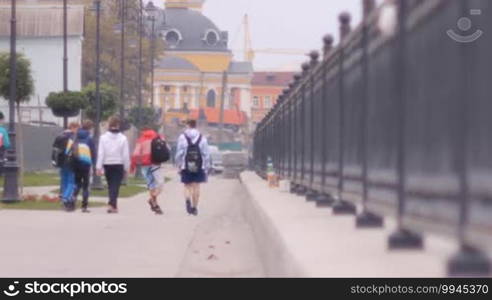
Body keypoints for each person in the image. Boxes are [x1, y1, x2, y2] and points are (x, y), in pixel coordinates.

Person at [175, 119, 210, 216]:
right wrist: (206, 167)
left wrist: (178, 164)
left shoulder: (182, 137)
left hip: (186, 166)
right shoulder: (202, 138)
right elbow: (206, 154)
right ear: (195, 126)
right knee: (196, 187)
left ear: (188, 125)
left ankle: (187, 200)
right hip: (199, 166)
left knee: (187, 186)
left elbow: (179, 153)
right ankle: (194, 208)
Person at [96, 116, 130, 214]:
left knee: (111, 184)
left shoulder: (103, 138)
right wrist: (126, 167)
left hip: (107, 164)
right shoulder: (123, 138)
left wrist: (99, 166)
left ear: (109, 124)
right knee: (115, 185)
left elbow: (101, 153)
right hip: (118, 164)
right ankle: (112, 205)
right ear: (118, 125)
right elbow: (125, 154)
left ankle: (112, 204)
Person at [130, 127, 167, 215]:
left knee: (151, 186)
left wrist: (133, 165)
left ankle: (155, 204)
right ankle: (153, 201)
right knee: (160, 183)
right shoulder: (158, 137)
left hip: (144, 165)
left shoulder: (141, 140)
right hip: (155, 164)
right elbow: (164, 148)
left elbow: (136, 154)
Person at [54, 122, 80, 212]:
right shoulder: (72, 137)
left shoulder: (59, 136)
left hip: (61, 162)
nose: (77, 131)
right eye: (77, 128)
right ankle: (66, 198)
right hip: (71, 162)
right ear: (73, 127)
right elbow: (75, 151)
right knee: (71, 182)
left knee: (64, 180)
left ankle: (63, 197)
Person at [73, 120, 96, 213]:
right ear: (90, 128)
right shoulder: (89, 138)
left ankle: (72, 200)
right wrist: (93, 165)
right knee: (86, 185)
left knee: (77, 183)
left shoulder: (76, 136)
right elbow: (93, 152)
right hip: (86, 163)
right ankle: (84, 206)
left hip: (76, 162)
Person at [0, 112, 11, 176]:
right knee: (3, 159)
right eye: (3, 119)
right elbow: (6, 143)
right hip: (1, 148)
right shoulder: (2, 130)